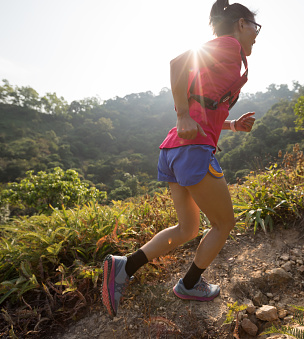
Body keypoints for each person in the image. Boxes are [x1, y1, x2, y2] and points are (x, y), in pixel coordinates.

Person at [102, 0, 260, 317]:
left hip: (175, 150)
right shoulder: (229, 45)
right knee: (224, 223)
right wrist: (183, 116)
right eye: (254, 27)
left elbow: (205, 104)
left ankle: (124, 267)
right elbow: (178, 62)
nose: (256, 35)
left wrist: (230, 125)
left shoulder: (229, 56)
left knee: (187, 229)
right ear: (241, 24)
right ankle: (189, 284)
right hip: (192, 149)